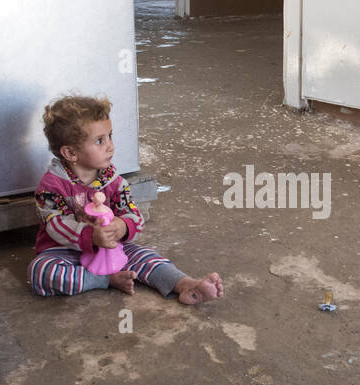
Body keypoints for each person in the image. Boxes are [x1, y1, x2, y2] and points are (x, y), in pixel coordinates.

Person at [28, 95, 224, 304]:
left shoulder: (114, 181)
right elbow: (54, 225)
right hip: (66, 252)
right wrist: (91, 237)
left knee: (144, 255)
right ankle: (103, 279)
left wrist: (122, 226)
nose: (110, 146)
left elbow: (133, 214)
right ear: (70, 152)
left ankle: (186, 284)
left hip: (112, 250)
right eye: (99, 141)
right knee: (40, 272)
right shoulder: (52, 186)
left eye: (110, 136)